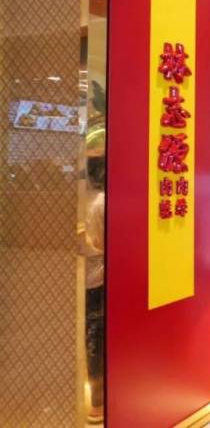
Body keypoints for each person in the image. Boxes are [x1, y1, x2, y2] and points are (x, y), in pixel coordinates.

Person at [84, 156, 105, 423]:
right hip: (99, 276)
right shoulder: (102, 202)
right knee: (97, 337)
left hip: (91, 276)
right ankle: (98, 401)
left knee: (93, 336)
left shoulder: (90, 202)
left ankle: (98, 399)